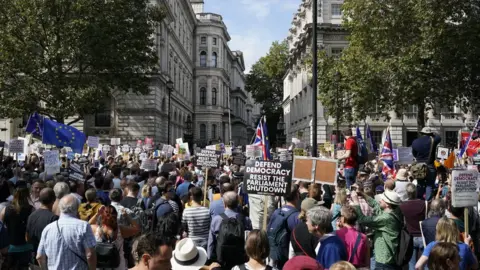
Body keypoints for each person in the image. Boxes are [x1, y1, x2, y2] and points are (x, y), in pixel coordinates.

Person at [37, 194, 97, 269]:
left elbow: (39, 257)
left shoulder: (48, 229)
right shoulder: (83, 226)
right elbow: (90, 255)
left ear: (60, 207)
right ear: (77, 208)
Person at [350, 189, 403, 269]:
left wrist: (356, 202)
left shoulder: (386, 218)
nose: (380, 200)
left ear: (388, 204)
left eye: (382, 200)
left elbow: (362, 219)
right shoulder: (394, 211)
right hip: (388, 259)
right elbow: (376, 205)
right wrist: (363, 194)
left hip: (384, 261)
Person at [88, 204, 140, 270]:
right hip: (118, 267)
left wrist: (97, 214)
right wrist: (126, 215)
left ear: (102, 216)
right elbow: (136, 229)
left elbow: (87, 225)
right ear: (116, 216)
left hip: (100, 267)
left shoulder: (96, 229)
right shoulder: (121, 230)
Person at [207, 191, 252, 264]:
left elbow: (211, 242)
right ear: (237, 203)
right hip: (240, 260)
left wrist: (209, 260)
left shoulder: (216, 219)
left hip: (221, 260)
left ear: (224, 204)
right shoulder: (246, 220)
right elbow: (250, 241)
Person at [1, 185, 34, 269]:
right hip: (26, 247)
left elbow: (1, 227)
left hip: (10, 247)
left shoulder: (5, 210)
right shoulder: (32, 210)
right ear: (27, 196)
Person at [267, 185, 301, 268]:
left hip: (274, 254)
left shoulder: (277, 212)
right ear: (297, 196)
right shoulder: (297, 217)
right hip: (288, 258)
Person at [26, 188, 58, 262]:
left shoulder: (31, 216)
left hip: (35, 256)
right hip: (49, 257)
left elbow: (27, 238)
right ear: (54, 200)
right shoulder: (54, 218)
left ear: (40, 200)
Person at [399, 183, 426, 270]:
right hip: (422, 236)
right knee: (424, 264)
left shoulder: (402, 206)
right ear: (416, 191)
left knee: (411, 264)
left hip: (410, 237)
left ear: (407, 192)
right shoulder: (424, 203)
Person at [411, 127, 441, 201]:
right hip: (430, 166)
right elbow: (439, 137)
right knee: (430, 185)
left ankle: (419, 201)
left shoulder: (415, 141)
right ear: (430, 133)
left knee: (420, 184)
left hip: (419, 167)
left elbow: (414, 154)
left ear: (421, 133)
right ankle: (428, 203)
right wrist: (433, 134)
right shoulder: (433, 140)